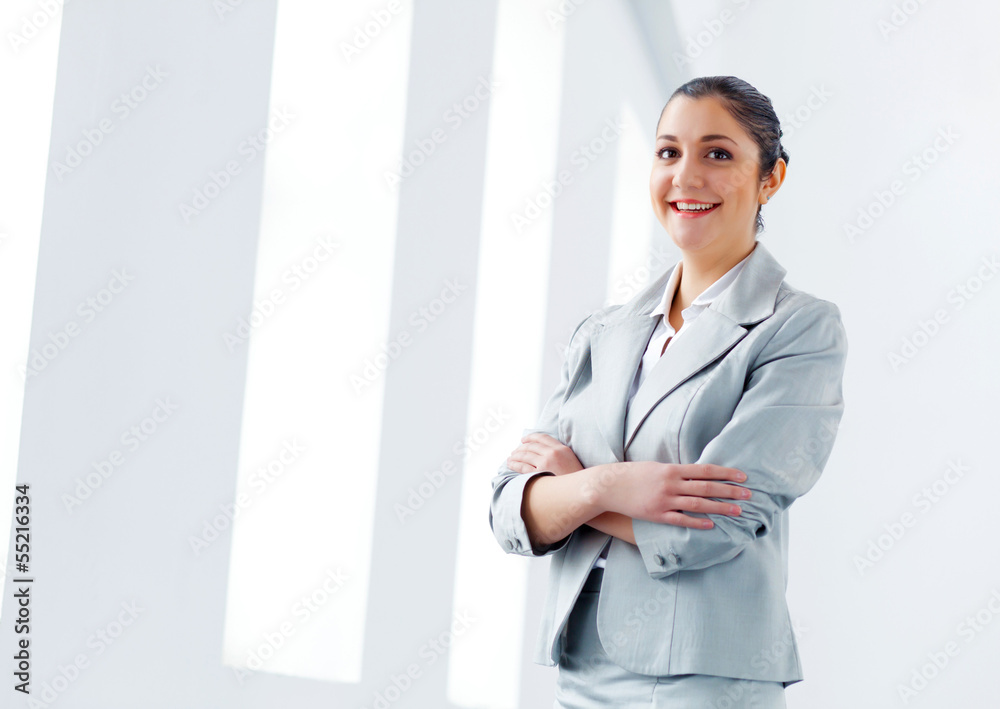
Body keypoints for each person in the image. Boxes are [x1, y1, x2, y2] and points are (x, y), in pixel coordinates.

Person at [489, 76, 848, 708]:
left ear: (771, 179)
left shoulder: (798, 327)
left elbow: (712, 526)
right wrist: (607, 487)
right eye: (668, 152)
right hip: (579, 667)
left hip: (703, 678)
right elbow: (510, 510)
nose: (686, 176)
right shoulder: (604, 331)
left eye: (718, 153)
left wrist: (574, 488)